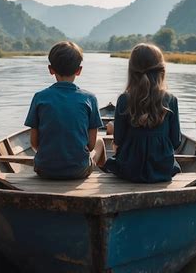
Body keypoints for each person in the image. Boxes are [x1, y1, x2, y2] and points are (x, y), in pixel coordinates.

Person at [24, 41, 106, 179]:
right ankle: (103, 177)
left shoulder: (39, 97)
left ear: (50, 69)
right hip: (78, 171)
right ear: (79, 70)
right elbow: (91, 146)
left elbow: (34, 143)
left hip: (44, 170)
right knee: (100, 142)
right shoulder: (90, 99)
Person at [103, 43, 181, 183]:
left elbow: (118, 139)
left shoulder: (124, 99)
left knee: (113, 160)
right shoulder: (171, 100)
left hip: (130, 170)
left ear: (131, 70)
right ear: (161, 69)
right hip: (162, 169)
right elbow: (176, 141)